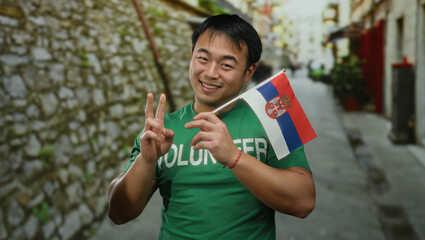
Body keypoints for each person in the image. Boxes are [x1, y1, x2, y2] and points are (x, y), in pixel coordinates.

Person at [108, 14, 315, 239]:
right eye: (203, 58)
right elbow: (119, 213)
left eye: (226, 64)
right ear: (191, 56)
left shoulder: (273, 117)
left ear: (249, 71)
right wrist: (146, 161)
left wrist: (235, 157)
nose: (210, 73)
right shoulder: (162, 130)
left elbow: (303, 202)